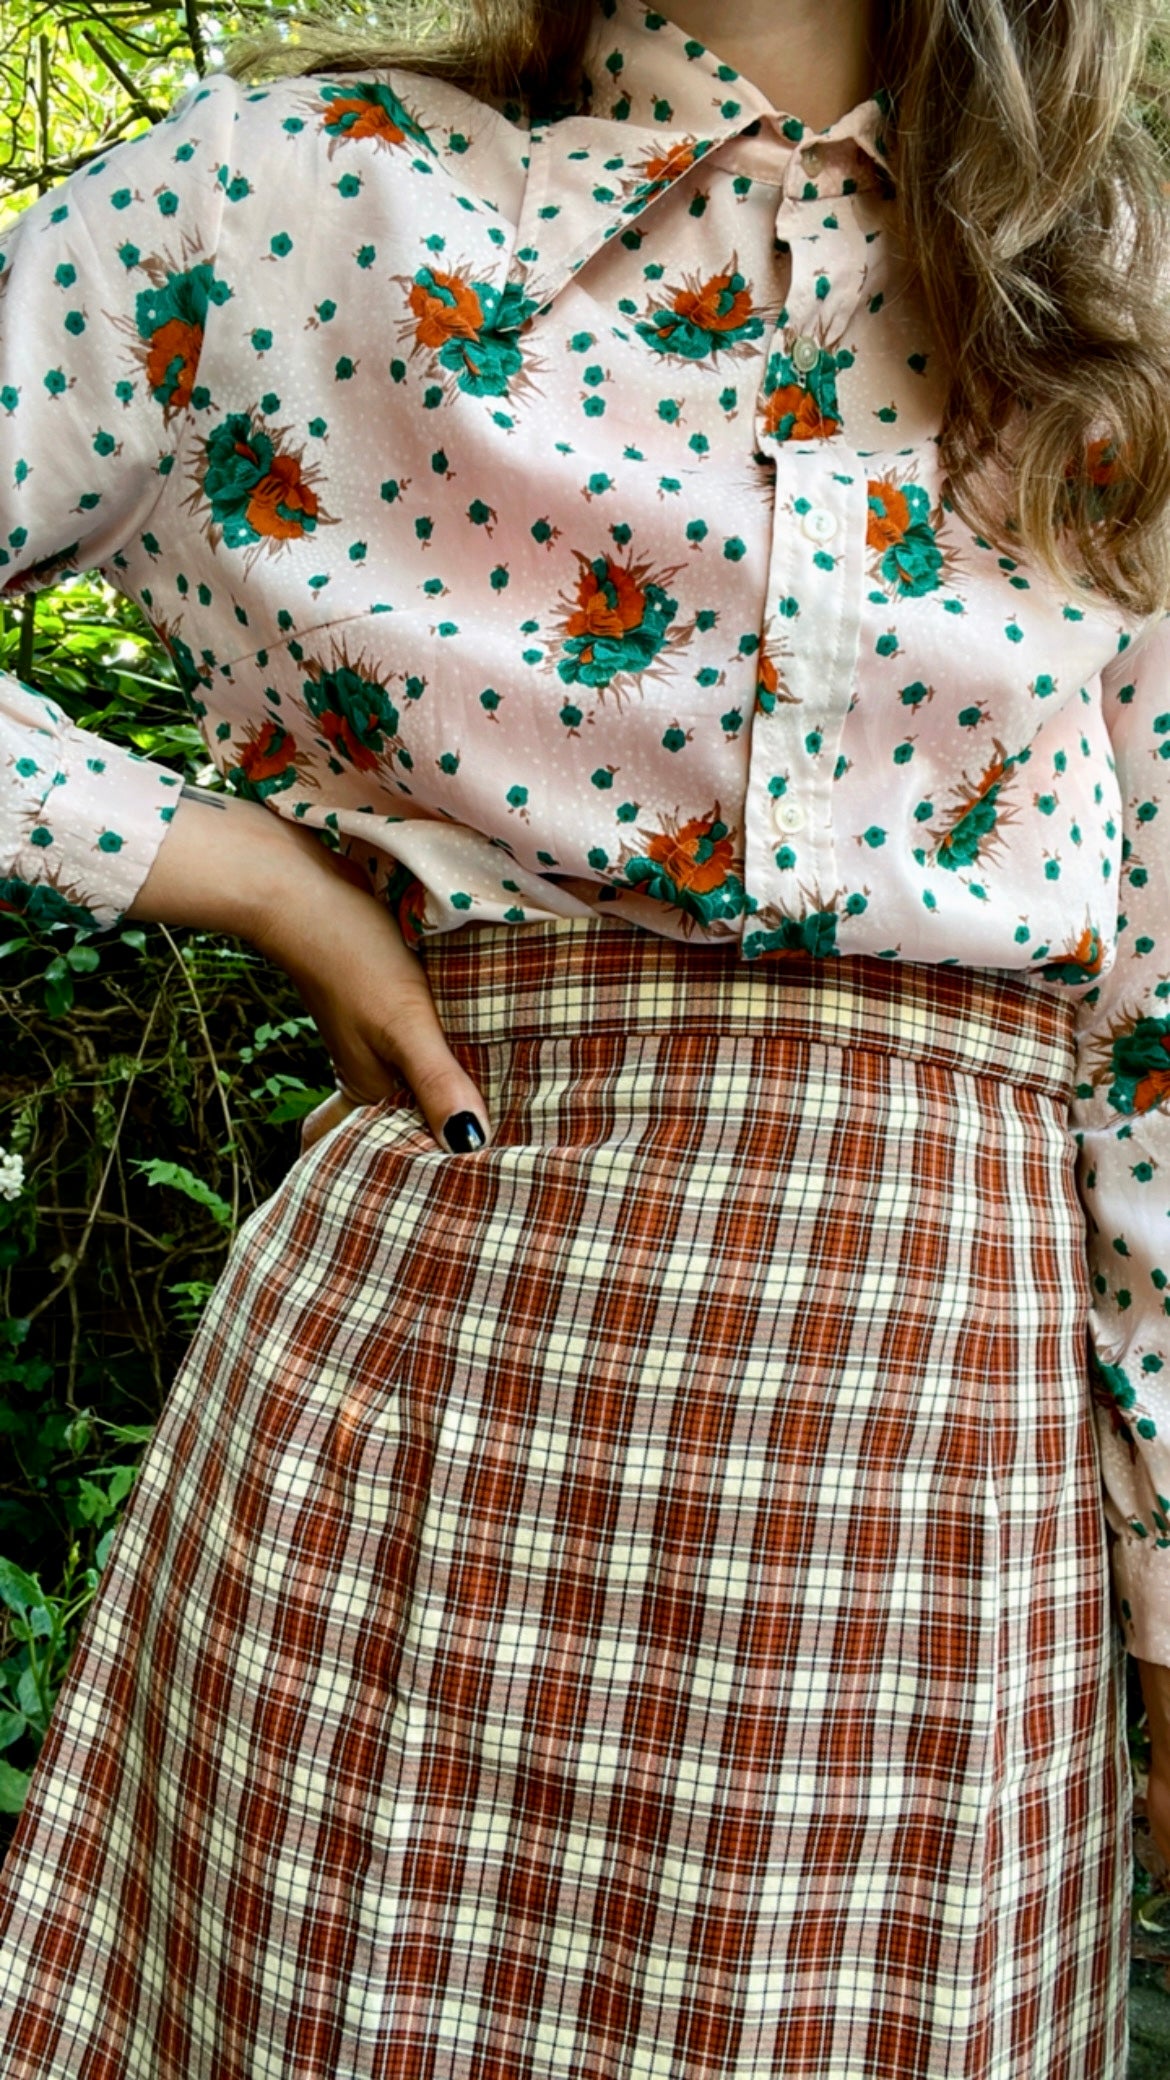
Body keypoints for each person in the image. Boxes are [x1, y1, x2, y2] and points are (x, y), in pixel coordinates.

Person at [0, 0, 1167, 2068]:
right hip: (427, 1430)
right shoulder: (287, 191)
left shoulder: (1108, 305)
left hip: (937, 1508)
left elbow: (1158, 1030)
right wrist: (229, 865)